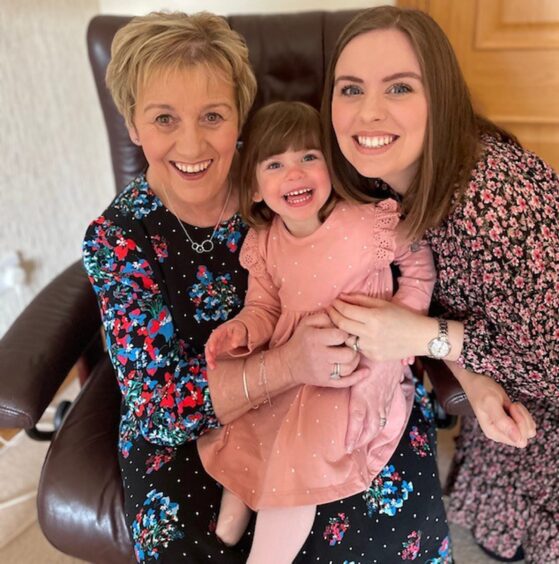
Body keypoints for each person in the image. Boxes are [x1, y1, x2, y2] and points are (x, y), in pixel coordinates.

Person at [82, 9, 453, 564]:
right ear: (131, 125)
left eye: (213, 115)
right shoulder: (118, 237)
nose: (191, 144)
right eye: (163, 119)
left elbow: (412, 259)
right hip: (193, 420)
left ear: (240, 119)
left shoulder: (296, 182)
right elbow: (158, 406)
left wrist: (450, 350)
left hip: (344, 386)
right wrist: (285, 365)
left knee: (377, 527)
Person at [322, 6, 557, 563]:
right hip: (509, 407)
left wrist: (423, 337)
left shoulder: (496, 196)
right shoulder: (373, 189)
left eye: (399, 87)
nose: (368, 113)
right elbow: (457, 307)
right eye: (350, 89)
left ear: (442, 99)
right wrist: (471, 380)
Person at [199, 100, 436, 563]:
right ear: (253, 187)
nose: (295, 173)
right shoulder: (265, 242)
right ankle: (224, 538)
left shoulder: (368, 222)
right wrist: (242, 329)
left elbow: (420, 270)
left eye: (309, 156)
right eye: (275, 163)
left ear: (334, 165)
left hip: (353, 367)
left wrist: (403, 334)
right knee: (248, 431)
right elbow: (264, 305)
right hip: (291, 363)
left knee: (300, 456)